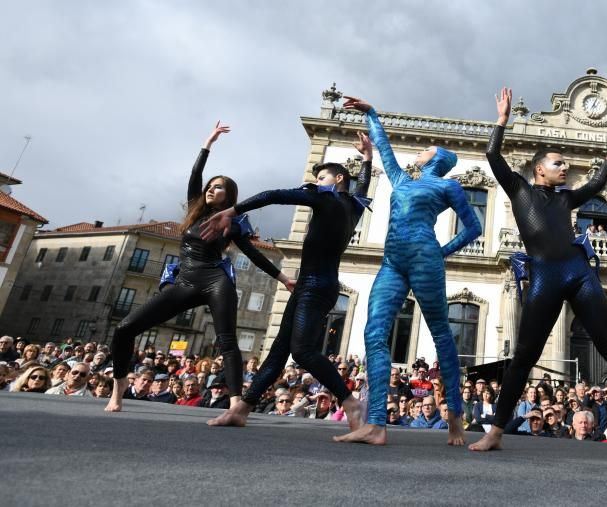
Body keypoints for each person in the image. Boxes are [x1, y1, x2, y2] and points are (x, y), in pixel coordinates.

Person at [470, 88, 607, 466]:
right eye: (558, 164)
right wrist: (502, 121)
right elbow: (493, 156)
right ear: (539, 168)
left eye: (565, 165)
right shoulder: (520, 190)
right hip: (543, 275)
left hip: (578, 273)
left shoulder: (565, 200)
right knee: (523, 358)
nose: (565, 168)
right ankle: (496, 431)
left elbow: (593, 187)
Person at [106, 122, 292, 414]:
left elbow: (254, 255)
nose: (210, 189)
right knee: (124, 328)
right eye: (210, 186)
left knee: (227, 340)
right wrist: (208, 143)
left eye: (218, 187)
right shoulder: (195, 208)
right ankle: (118, 391)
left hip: (216, 280)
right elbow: (195, 175)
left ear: (229, 197)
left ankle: (234, 406)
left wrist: (283, 278)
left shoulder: (233, 222)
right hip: (186, 281)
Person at [335, 96, 482, 447]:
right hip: (392, 261)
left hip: (423, 258)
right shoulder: (400, 180)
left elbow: (473, 227)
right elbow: (384, 148)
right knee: (374, 332)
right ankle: (375, 424)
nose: (419, 151)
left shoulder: (449, 186)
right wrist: (371, 113)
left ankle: (456, 419)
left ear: (437, 159)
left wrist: (440, 251)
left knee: (441, 333)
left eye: (426, 149)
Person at [201, 132, 373, 428]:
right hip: (314, 285)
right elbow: (362, 185)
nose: (318, 182)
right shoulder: (354, 205)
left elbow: (274, 195)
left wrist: (232, 210)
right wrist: (367, 159)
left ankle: (350, 401)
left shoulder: (326, 199)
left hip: (316, 286)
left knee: (302, 351)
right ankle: (241, 409)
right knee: (280, 349)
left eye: (323, 177)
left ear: (339, 180)